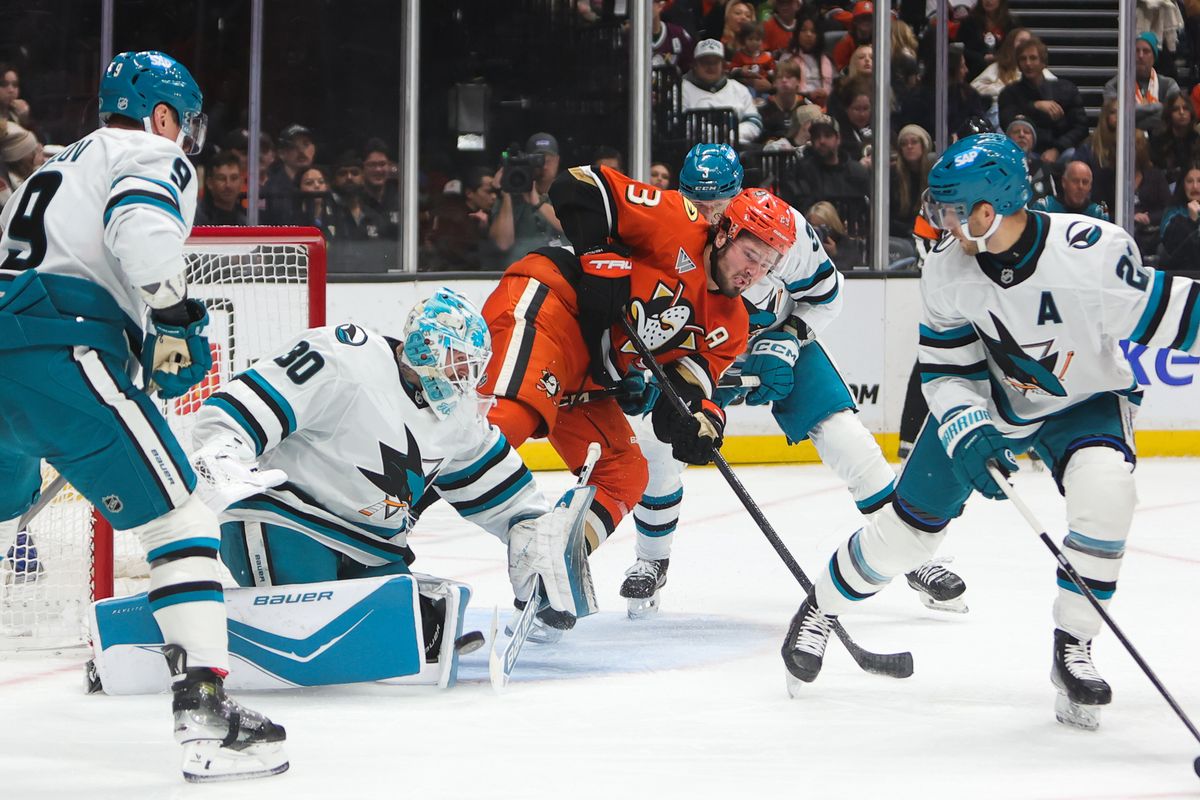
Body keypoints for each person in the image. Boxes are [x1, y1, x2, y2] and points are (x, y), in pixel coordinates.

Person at [782, 133, 1200, 733]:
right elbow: (947, 369)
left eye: (953, 210)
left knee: (1106, 493)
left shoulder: (1092, 254)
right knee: (908, 537)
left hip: (1084, 399)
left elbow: (1182, 314)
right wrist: (967, 427)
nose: (942, 222)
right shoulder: (948, 271)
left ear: (989, 210)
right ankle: (821, 608)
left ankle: (1072, 647)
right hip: (993, 402)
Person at [0, 50, 286, 782]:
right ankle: (207, 716)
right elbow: (142, 229)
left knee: (7, 508)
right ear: (162, 115)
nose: (186, 139)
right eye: (183, 124)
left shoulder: (53, 167)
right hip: (59, 351)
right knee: (180, 520)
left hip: (14, 343)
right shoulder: (149, 151)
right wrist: (177, 314)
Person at [618, 143, 968, 617]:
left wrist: (786, 338)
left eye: (716, 205)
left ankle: (911, 552)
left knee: (846, 435)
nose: (705, 216)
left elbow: (827, 294)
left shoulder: (778, 228)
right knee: (656, 443)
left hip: (767, 338)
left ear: (738, 194)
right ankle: (650, 562)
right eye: (694, 203)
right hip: (689, 351)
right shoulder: (663, 230)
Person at [183, 290, 587, 672]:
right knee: (310, 631)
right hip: (285, 521)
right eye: (457, 361)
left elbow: (507, 497)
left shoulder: (460, 419)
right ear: (424, 348)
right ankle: (192, 626)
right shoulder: (345, 357)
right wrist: (225, 449)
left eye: (472, 365)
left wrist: (534, 540)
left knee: (427, 630)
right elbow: (245, 403)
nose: (466, 376)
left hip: (370, 546)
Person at [479, 166, 797, 636]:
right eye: (752, 253)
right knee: (508, 422)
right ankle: (381, 528)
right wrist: (599, 260)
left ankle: (545, 567)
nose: (755, 272)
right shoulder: (678, 221)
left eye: (768, 265)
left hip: (587, 374)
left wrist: (698, 421)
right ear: (726, 231)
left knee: (627, 473)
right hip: (551, 306)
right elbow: (576, 186)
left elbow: (685, 390)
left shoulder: (730, 325)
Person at [998, 36, 1088, 165]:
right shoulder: (1009, 93)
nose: (1028, 63)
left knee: (1072, 156)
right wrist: (1034, 106)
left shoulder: (1066, 89)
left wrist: (1057, 149)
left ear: (1043, 62)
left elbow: (1081, 127)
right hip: (1024, 153)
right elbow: (1008, 122)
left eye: (1033, 58)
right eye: (1023, 59)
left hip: (1060, 152)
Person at [485, 132, 565, 269]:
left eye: (549, 160)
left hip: (560, 274)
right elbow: (502, 243)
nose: (544, 165)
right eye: (538, 160)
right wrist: (506, 193)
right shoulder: (511, 197)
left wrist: (537, 202)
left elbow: (571, 227)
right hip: (521, 275)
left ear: (557, 160)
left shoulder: (567, 192)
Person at [779, 114, 870, 227]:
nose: (822, 141)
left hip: (851, 235)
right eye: (817, 137)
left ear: (838, 139)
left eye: (827, 135)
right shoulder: (800, 172)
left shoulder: (857, 172)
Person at [681, 39, 764, 146]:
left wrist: (732, 135)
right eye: (705, 62)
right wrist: (717, 136)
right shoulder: (681, 89)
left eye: (715, 62)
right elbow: (679, 125)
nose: (710, 66)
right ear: (695, 65)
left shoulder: (739, 89)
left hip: (737, 150)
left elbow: (754, 122)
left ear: (723, 65)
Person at [971, 28, 1054, 132]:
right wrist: (1002, 90)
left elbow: (1053, 89)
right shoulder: (997, 68)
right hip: (1002, 116)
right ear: (1011, 44)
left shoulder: (1042, 72)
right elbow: (974, 88)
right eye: (1022, 41)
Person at [1102, 32, 1179, 137]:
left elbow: (1173, 115)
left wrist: (1131, 117)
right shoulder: (1114, 85)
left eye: (1146, 51)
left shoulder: (1169, 84)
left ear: (1154, 57)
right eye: (1136, 51)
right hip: (1124, 141)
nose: (1140, 56)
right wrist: (1158, 107)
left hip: (1162, 144)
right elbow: (1115, 116)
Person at [428, 165, 499, 270]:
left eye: (496, 192)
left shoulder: (494, 216)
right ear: (469, 193)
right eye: (488, 191)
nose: (494, 197)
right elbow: (455, 254)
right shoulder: (453, 218)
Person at [262, 123, 316, 225]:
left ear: (313, 149)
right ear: (282, 154)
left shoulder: (322, 185)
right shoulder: (270, 190)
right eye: (293, 146)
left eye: (306, 144)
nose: (301, 151)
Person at [890, 124, 934, 238]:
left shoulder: (934, 173)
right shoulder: (893, 175)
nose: (909, 146)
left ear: (923, 145)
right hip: (901, 235)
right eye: (904, 144)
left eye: (914, 142)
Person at [956, 0, 1018, 80]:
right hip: (974, 71)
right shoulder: (969, 22)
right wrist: (981, 58)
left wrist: (998, 57)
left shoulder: (1010, 23)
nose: (988, 1)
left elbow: (1014, 48)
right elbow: (961, 49)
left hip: (1003, 70)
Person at [1149, 94, 1200, 187]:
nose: (1181, 112)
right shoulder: (1158, 141)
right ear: (1169, 114)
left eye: (1185, 108)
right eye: (1176, 109)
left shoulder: (1197, 139)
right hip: (1166, 187)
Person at [1006, 115, 1057, 205]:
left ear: (1033, 140)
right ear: (1008, 139)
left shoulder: (1043, 168)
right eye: (1016, 132)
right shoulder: (1000, 167)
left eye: (1026, 132)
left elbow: (1051, 203)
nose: (1021, 135)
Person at [788, 12, 834, 109]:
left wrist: (825, 93)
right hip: (799, 106)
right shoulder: (788, 59)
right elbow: (787, 90)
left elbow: (831, 88)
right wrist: (809, 95)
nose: (808, 35)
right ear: (797, 34)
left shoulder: (826, 60)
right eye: (804, 30)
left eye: (813, 31)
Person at [1033, 161, 1108, 220]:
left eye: (1085, 182)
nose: (1080, 186)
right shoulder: (1044, 207)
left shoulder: (1098, 213)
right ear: (1064, 182)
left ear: (1090, 186)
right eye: (1075, 181)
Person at [1158, 166, 1200, 273]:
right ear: (1182, 185)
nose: (1195, 186)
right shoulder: (1172, 213)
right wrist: (1192, 222)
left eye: (1199, 181)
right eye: (1189, 181)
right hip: (1183, 276)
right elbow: (1173, 248)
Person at [759, 60, 807, 143]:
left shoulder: (806, 107)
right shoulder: (763, 109)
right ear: (774, 83)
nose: (784, 80)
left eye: (789, 77)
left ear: (798, 81)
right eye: (779, 77)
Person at [194, 150, 246, 226]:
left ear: (241, 182)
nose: (228, 185)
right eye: (221, 178)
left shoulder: (246, 219)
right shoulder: (195, 216)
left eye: (234, 178)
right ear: (210, 183)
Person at [361, 138, 400, 237]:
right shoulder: (355, 201)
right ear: (362, 168)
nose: (378, 170)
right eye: (372, 165)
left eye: (382, 164)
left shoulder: (401, 199)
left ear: (389, 166)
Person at [729, 22, 776, 97]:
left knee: (767, 97)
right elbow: (732, 70)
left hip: (764, 85)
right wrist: (741, 71)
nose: (754, 43)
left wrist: (772, 76)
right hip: (747, 86)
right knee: (749, 93)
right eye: (750, 39)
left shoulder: (766, 56)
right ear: (744, 40)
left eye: (757, 39)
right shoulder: (740, 55)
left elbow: (771, 70)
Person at [651, 0, 695, 75]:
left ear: (660, 5)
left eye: (649, 2)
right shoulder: (628, 37)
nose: (644, 8)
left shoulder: (679, 35)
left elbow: (689, 70)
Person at [832, 1, 874, 72]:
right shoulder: (846, 42)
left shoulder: (880, 40)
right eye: (863, 18)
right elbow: (837, 69)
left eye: (869, 18)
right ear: (855, 21)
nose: (866, 21)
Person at [0, 64, 31, 128]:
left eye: (15, 85)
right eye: (3, 84)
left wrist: (24, 119)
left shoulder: (17, 113)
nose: (11, 90)